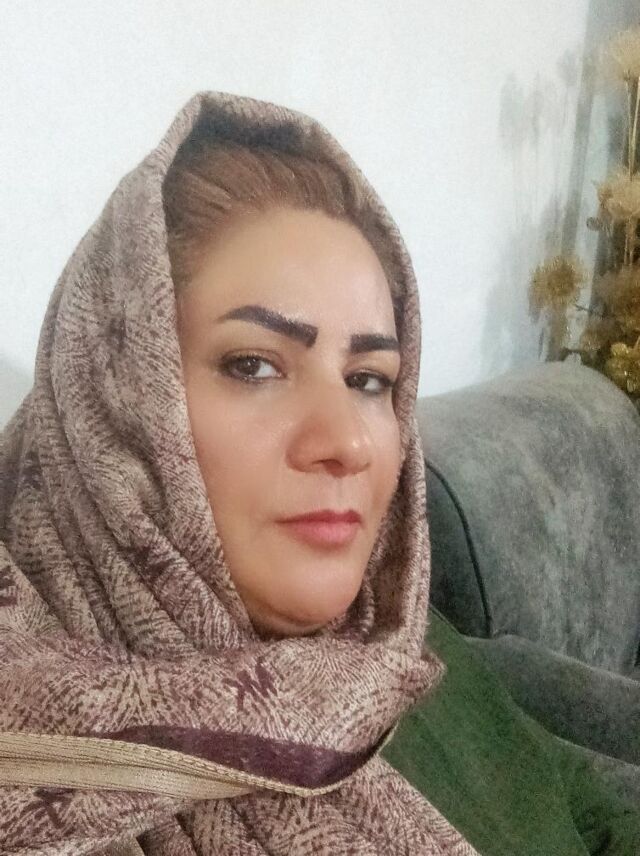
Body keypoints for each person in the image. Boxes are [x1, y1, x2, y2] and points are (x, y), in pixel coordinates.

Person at [0, 91, 478, 853]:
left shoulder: (400, 652)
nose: (347, 444)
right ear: (116, 404)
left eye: (369, 379)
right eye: (253, 366)